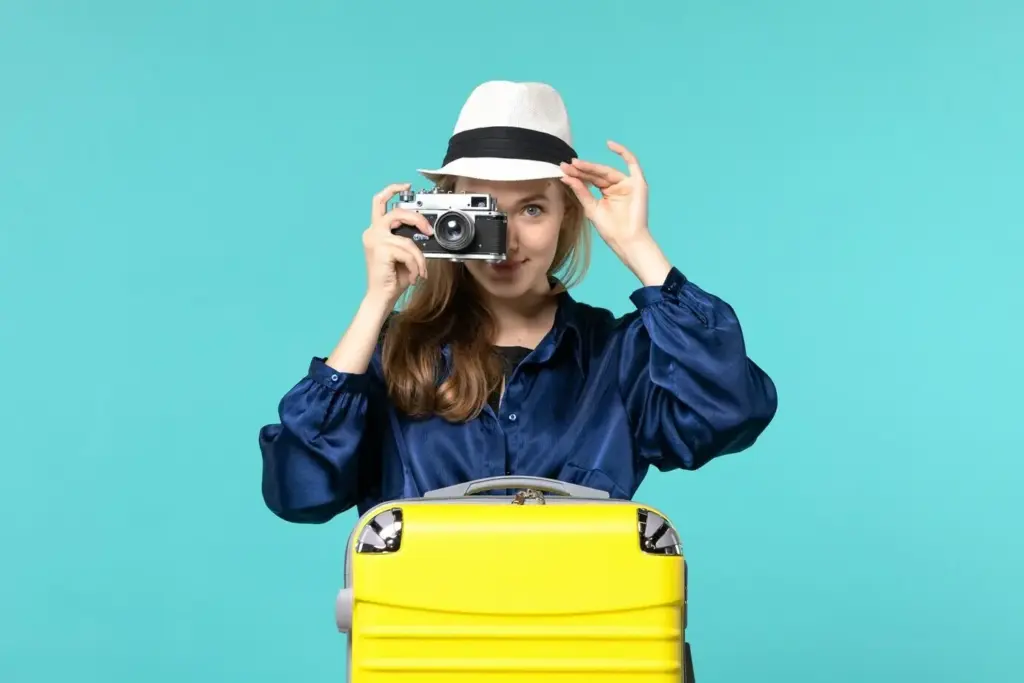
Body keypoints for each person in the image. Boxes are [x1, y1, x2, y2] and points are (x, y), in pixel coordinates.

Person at [258, 81, 778, 523]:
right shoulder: (390, 353)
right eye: (481, 213)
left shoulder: (619, 357)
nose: (505, 241)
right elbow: (298, 491)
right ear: (441, 215)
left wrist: (638, 247)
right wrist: (377, 302)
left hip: (580, 611)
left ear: (568, 215)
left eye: (531, 209)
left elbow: (730, 413)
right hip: (421, 613)